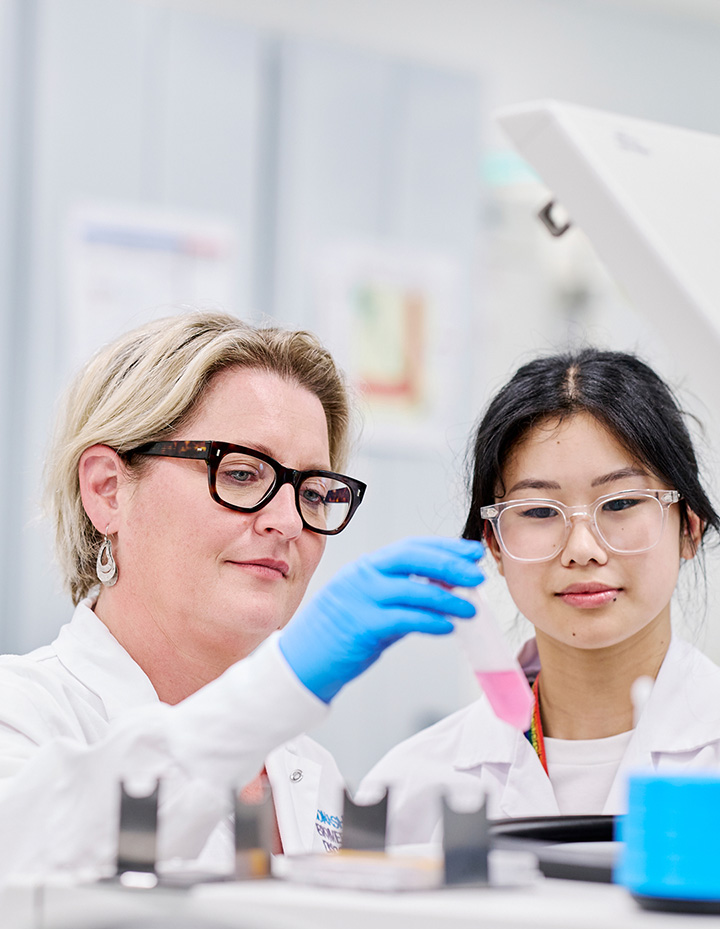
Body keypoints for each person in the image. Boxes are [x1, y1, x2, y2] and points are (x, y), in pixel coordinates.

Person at [0, 311, 483, 880]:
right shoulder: (23, 714)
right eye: (241, 472)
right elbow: (36, 856)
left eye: (314, 490)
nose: (288, 521)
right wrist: (285, 683)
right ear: (107, 491)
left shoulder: (309, 772)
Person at [359, 349, 720, 842]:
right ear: (493, 544)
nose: (582, 549)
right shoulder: (413, 787)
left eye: (620, 503)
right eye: (538, 511)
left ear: (689, 530)